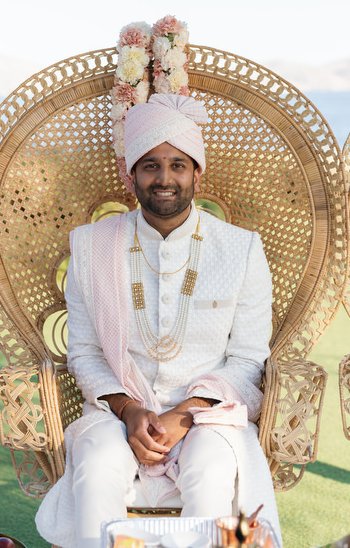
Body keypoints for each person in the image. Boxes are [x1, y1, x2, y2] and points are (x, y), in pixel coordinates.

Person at [35, 94, 282, 548]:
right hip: (118, 411)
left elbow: (248, 358)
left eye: (177, 165)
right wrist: (130, 411)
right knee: (96, 463)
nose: (164, 179)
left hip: (210, 414)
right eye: (150, 165)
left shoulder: (241, 248)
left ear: (196, 173)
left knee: (211, 471)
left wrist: (185, 415)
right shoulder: (92, 246)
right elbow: (85, 353)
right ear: (131, 175)